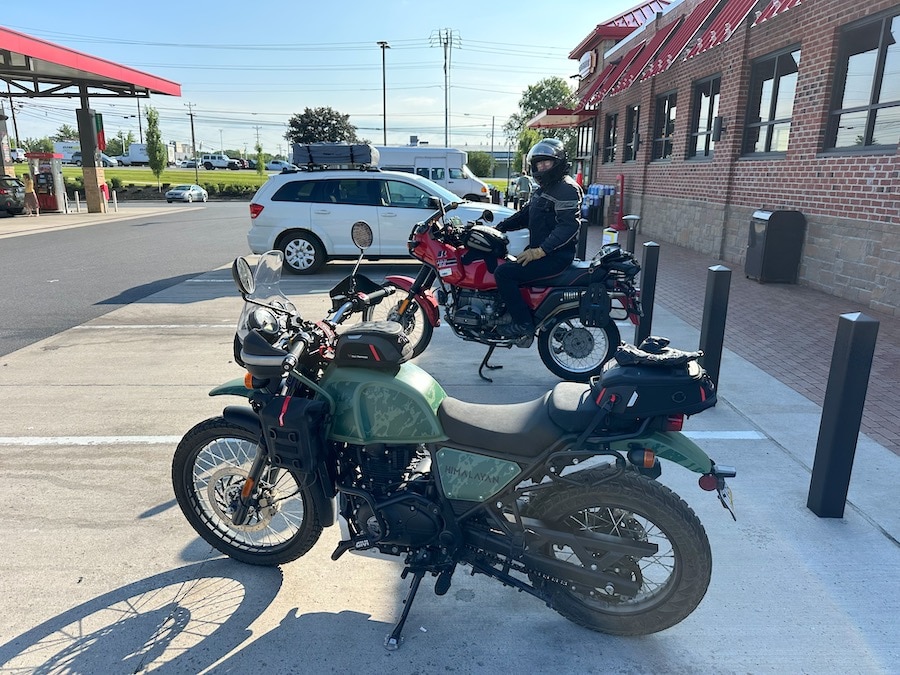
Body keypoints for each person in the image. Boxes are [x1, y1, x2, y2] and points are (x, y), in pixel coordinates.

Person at [494, 138, 583, 347]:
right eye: (538, 164)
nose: (542, 167)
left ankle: (523, 324)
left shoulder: (566, 189)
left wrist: (540, 251)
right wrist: (498, 228)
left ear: (558, 163)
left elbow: (568, 226)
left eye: (546, 162)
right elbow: (526, 215)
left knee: (503, 273)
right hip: (542, 253)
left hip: (555, 258)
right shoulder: (545, 188)